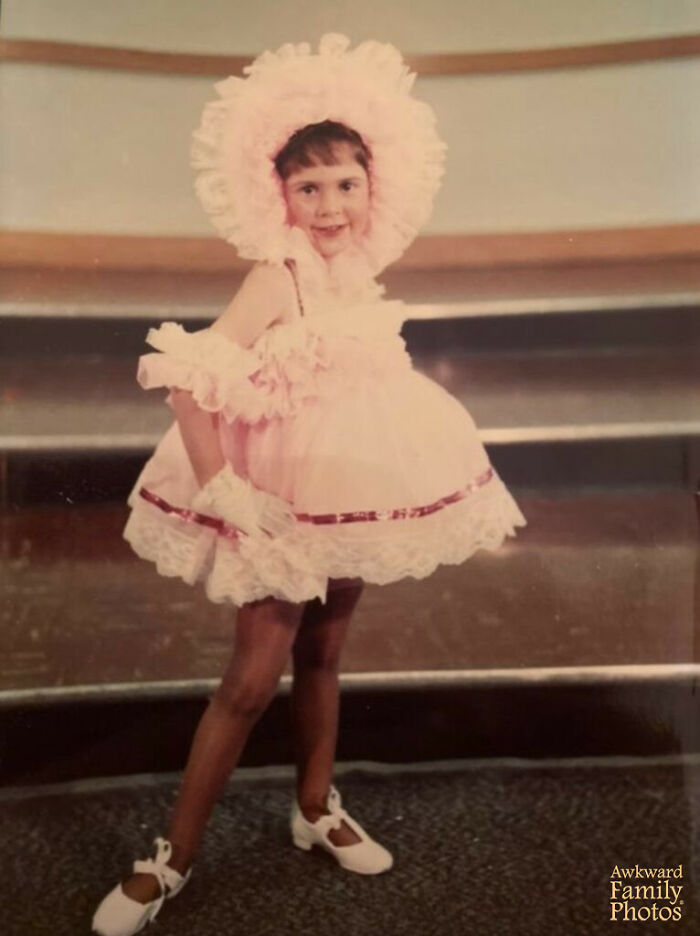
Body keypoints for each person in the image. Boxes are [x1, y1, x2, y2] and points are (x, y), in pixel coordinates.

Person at [92, 33, 526, 936]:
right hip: (278, 499)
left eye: (346, 184)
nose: (330, 206)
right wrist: (226, 495)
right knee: (251, 680)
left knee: (324, 654)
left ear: (376, 188)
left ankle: (316, 806)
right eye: (309, 187)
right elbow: (187, 379)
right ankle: (171, 860)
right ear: (277, 194)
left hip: (351, 482)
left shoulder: (353, 273)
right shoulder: (277, 273)